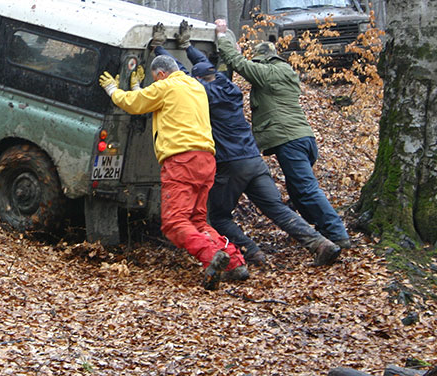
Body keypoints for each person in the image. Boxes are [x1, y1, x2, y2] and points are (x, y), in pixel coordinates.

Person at [155, 25, 341, 266]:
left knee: (218, 217)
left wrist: (159, 49)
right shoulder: (229, 87)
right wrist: (188, 47)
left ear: (198, 80)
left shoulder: (202, 93)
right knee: (277, 209)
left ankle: (251, 253)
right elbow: (203, 66)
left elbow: (180, 74)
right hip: (253, 159)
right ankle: (320, 243)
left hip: (231, 164)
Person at [99, 55, 246, 290]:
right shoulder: (195, 86)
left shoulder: (165, 87)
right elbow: (153, 101)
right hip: (206, 159)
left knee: (174, 222)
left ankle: (213, 257)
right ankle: (235, 262)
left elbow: (134, 103)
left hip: (181, 160)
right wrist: (139, 86)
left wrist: (112, 89)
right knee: (197, 220)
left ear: (160, 75)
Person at [214, 19, 350, 250]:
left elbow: (238, 64)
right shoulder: (285, 71)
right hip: (303, 137)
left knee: (306, 190)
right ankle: (321, 233)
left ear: (262, 60)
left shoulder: (268, 74)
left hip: (290, 141)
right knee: (299, 192)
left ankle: (337, 236)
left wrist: (223, 38)